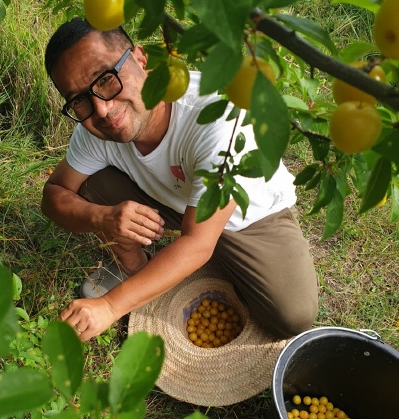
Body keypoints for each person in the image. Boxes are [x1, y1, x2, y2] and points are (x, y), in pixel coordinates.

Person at [42, 17, 319, 343]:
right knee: (89, 186)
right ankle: (134, 266)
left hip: (248, 219)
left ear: (140, 59)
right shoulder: (94, 126)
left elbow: (197, 243)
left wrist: (108, 306)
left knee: (293, 315)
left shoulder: (217, 115)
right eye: (79, 99)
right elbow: (54, 193)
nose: (101, 110)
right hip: (172, 201)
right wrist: (102, 217)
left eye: (105, 79)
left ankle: (191, 264)